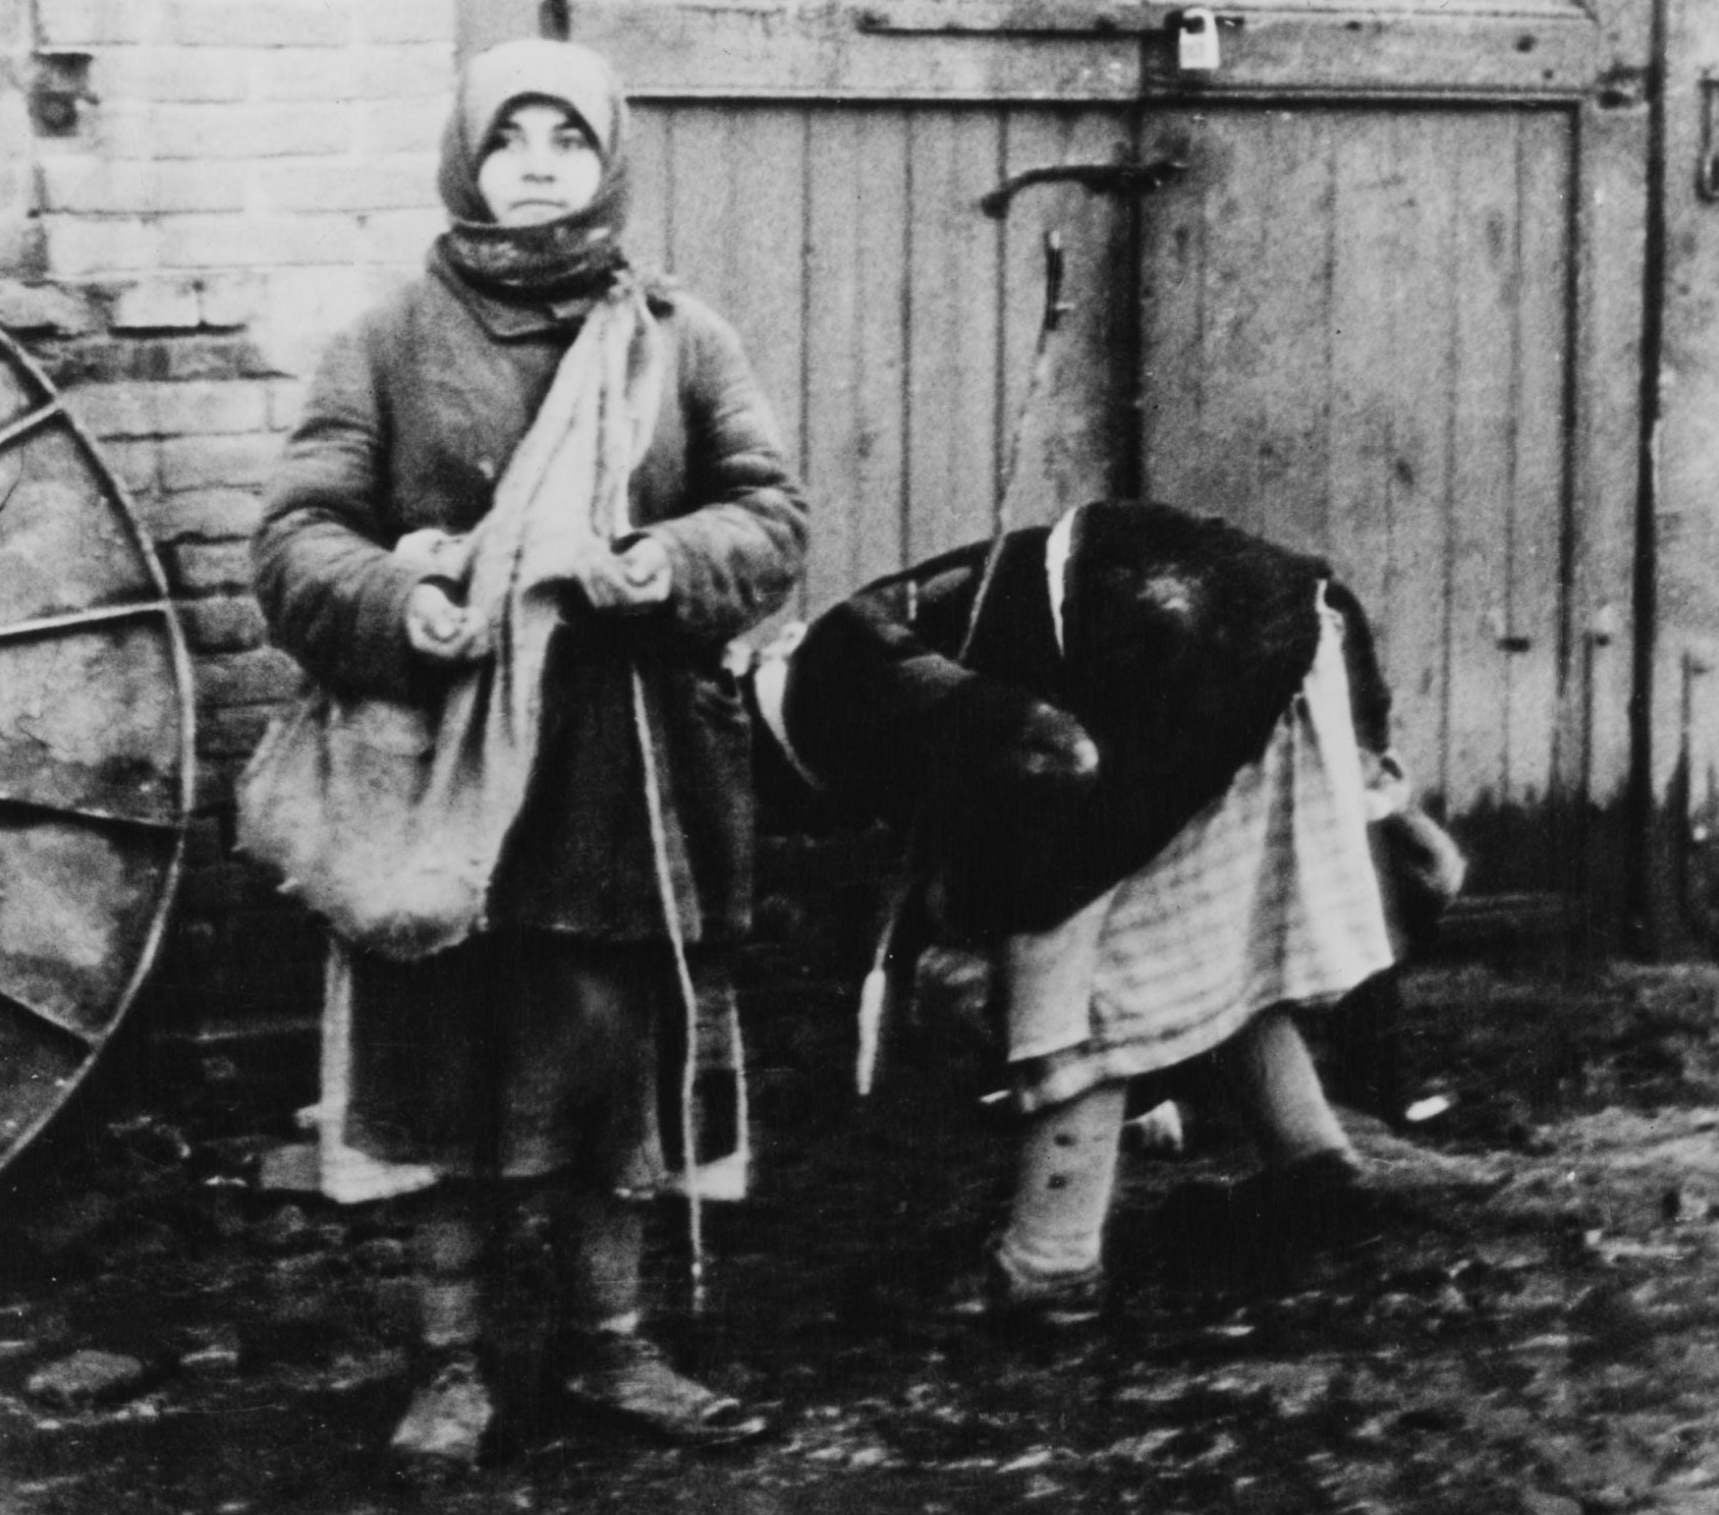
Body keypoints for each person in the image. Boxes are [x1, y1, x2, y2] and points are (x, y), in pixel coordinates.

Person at [252, 38, 808, 1469]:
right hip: (439, 775)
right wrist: (403, 601)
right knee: (439, 1067)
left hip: (622, 775)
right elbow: (298, 535)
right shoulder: (384, 340)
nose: (541, 163)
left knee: (610, 1063)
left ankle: (612, 1346)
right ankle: (448, 1361)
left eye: (569, 137)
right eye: (512, 140)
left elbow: (770, 518)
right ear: (468, 161)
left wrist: (648, 562)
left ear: (607, 157)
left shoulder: (681, 337)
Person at [752, 499, 1462, 1324]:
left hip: (1192, 651)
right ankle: (1313, 1164)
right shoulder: (856, 645)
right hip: (1265, 633)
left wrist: (1016, 934)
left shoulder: (836, 674)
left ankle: (1049, 1260)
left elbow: (1049, 756)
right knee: (1198, 940)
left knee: (1092, 963)